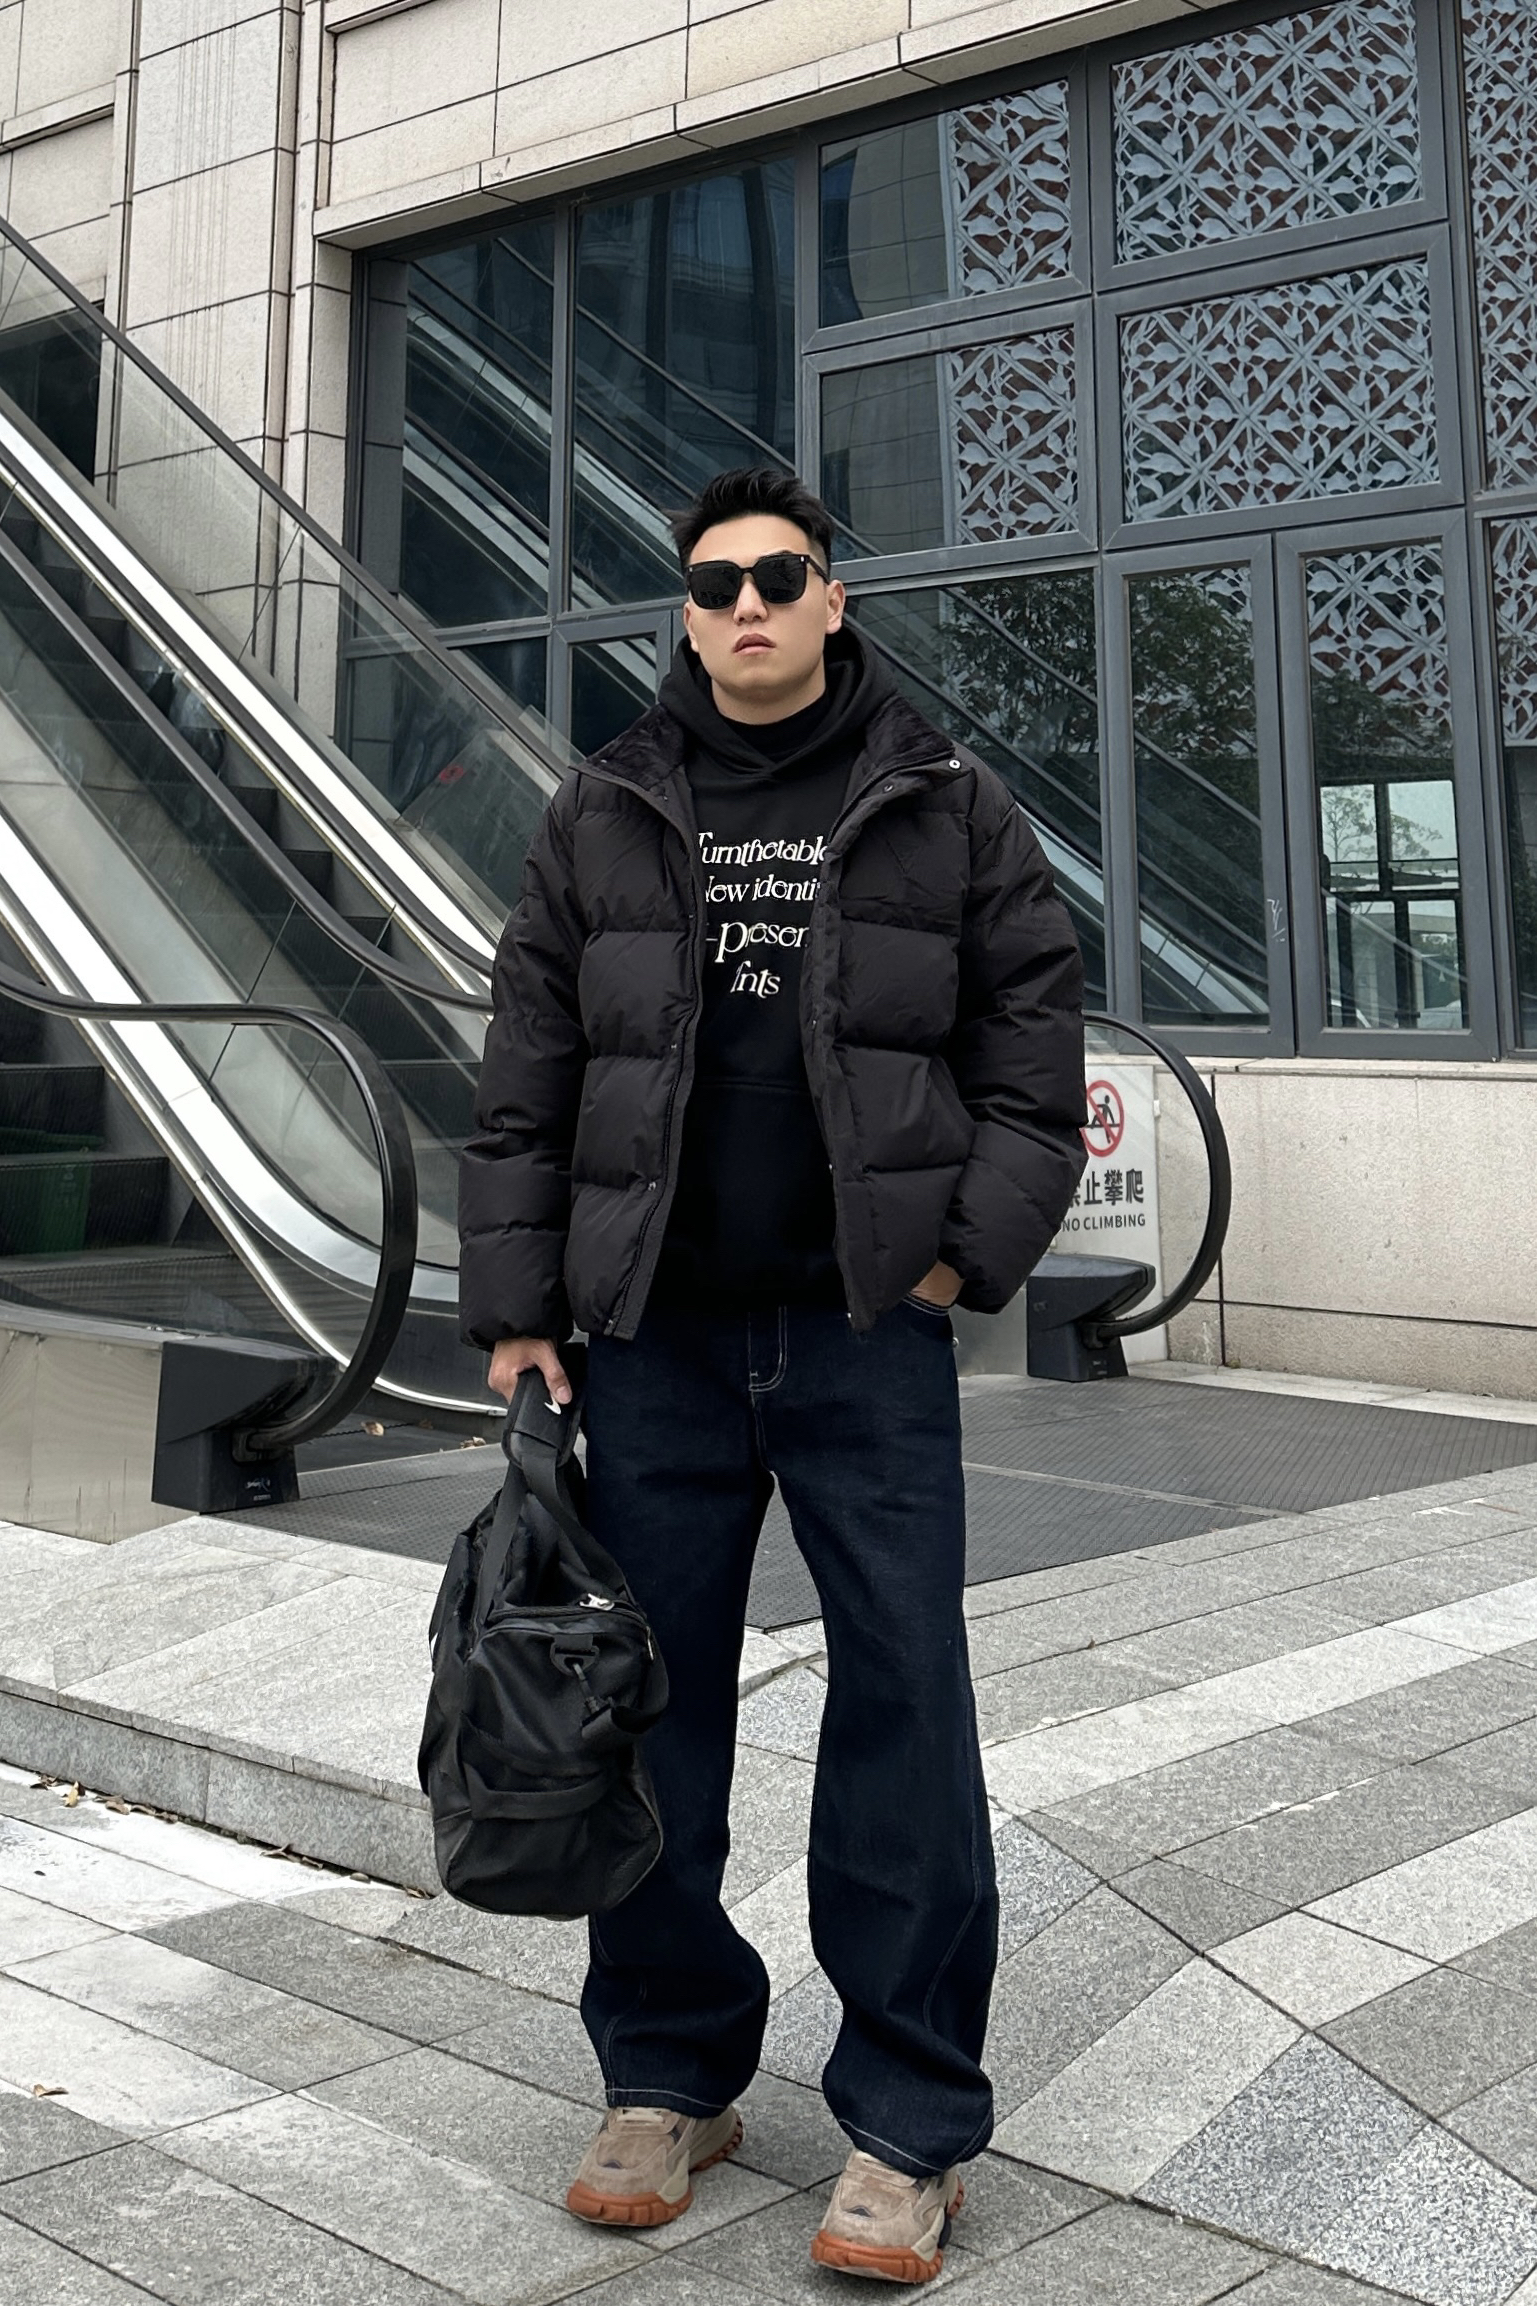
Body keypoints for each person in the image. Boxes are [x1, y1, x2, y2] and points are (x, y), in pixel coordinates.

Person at [458, 466, 1085, 2285]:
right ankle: (667, 2073)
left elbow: (1032, 1048)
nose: (747, 603)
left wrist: (957, 1255)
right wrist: (517, 1301)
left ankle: (906, 2121)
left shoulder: (944, 802)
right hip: (650, 1339)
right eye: (715, 580)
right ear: (684, 609)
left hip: (861, 1338)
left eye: (780, 574)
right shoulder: (603, 806)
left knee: (904, 1709)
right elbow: (528, 1066)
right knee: (647, 1711)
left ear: (832, 599)